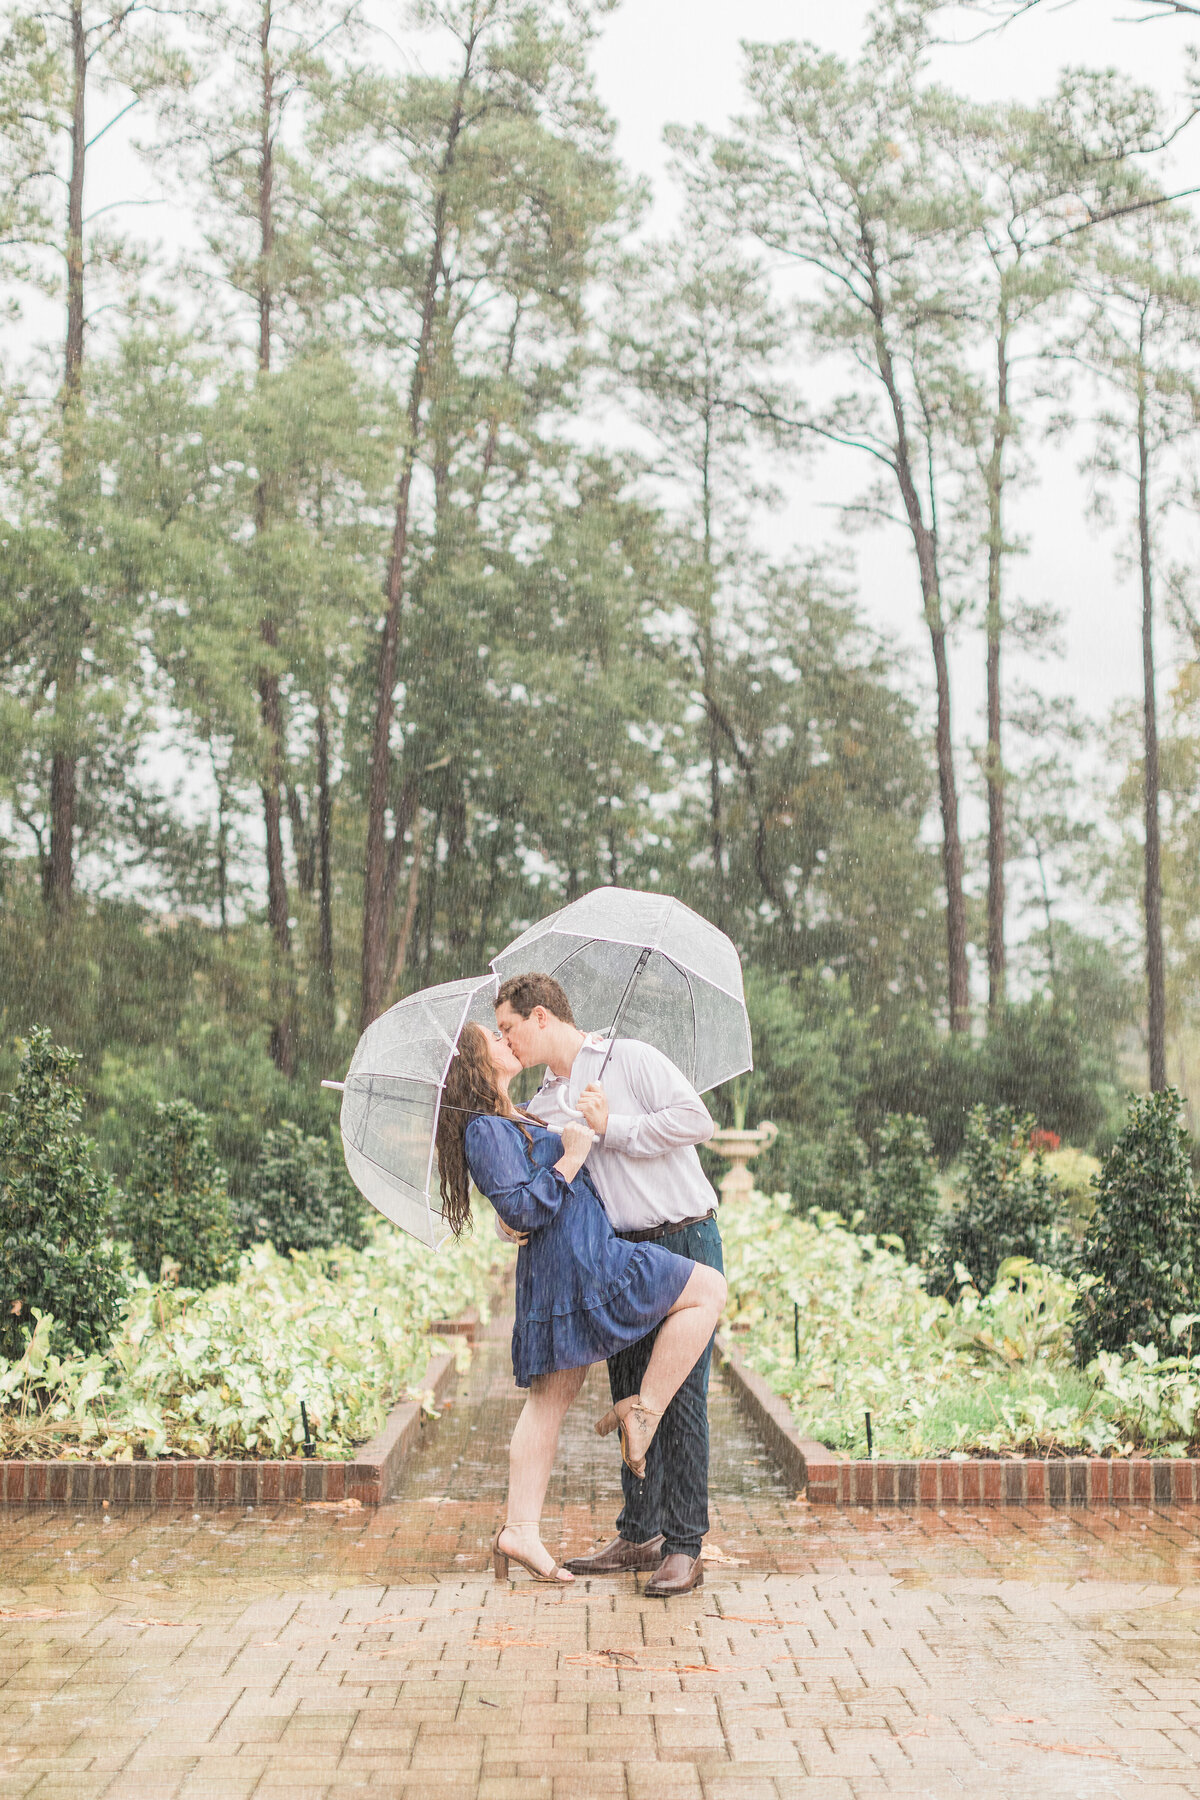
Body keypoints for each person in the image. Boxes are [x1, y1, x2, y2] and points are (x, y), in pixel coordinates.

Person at [434, 1021, 727, 1587]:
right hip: (585, 1262)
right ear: (476, 1061)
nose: (506, 1040)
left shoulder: (529, 1108)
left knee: (552, 1403)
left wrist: (593, 1130)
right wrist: (569, 1156)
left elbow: (521, 1192)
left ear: (541, 1017)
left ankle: (541, 1526)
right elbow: (523, 1205)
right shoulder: (490, 1124)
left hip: (598, 1253)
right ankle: (638, 1425)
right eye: (495, 1037)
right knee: (706, 1293)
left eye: (509, 1028)